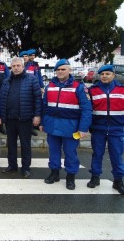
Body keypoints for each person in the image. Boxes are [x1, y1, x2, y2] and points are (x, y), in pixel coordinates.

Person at [41, 59, 92, 190]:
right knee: (53, 152)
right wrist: (42, 122)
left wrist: (83, 128)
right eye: (58, 70)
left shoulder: (79, 87)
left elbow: (86, 109)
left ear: (69, 70)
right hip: (52, 126)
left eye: (63, 69)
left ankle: (70, 176)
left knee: (70, 153)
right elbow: (44, 106)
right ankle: (54, 173)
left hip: (71, 128)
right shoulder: (50, 86)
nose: (60, 72)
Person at [0, 57, 42, 178]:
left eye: (18, 66)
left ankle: (26, 168)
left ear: (23, 67)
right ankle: (12, 166)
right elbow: (0, 99)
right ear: (11, 67)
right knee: (11, 144)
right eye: (14, 66)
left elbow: (38, 99)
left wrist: (37, 115)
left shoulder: (32, 79)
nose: (16, 68)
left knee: (25, 145)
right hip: (10, 119)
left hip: (25, 119)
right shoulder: (7, 81)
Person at [87, 64, 124, 195]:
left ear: (113, 75)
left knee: (116, 156)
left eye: (107, 74)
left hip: (117, 128)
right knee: (97, 154)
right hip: (98, 128)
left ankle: (118, 180)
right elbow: (88, 110)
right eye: (102, 74)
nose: (104, 76)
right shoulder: (93, 90)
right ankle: (95, 177)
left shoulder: (122, 90)